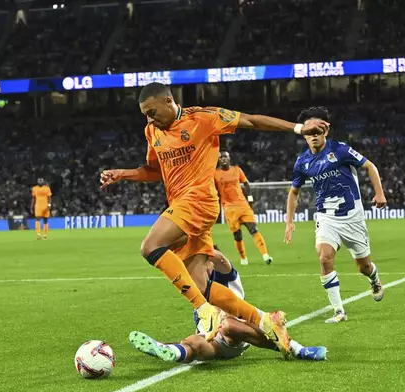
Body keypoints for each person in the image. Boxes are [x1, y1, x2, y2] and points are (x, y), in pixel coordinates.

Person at [100, 82, 328, 353]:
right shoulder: (152, 131)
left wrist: (299, 128)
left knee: (150, 246)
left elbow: (252, 121)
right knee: (201, 286)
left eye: (152, 111)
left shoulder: (203, 118)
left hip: (199, 201)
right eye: (145, 114)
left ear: (168, 100)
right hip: (182, 206)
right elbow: (154, 170)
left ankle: (204, 311)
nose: (149, 118)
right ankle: (266, 321)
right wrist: (123, 174)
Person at [129, 246, 328, 362]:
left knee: (229, 324)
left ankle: (296, 348)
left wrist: (200, 246)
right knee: (194, 343)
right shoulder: (194, 286)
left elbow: (222, 260)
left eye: (201, 265)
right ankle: (170, 351)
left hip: (237, 334)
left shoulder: (225, 275)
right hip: (215, 342)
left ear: (210, 262)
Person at [284, 107, 385, 324]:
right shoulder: (302, 162)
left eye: (316, 132)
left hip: (352, 216)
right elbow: (294, 191)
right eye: (308, 133)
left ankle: (374, 279)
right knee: (324, 257)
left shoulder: (340, 150)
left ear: (325, 131)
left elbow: (370, 166)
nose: (313, 137)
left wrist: (379, 193)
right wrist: (289, 221)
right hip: (326, 217)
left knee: (363, 266)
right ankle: (339, 311)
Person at [214, 151, 272, 265]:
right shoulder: (215, 174)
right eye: (221, 157)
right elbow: (213, 189)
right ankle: (243, 258)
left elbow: (246, 183)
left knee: (253, 229)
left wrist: (250, 198)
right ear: (218, 160)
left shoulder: (237, 170)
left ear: (229, 159)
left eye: (225, 157)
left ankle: (265, 255)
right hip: (229, 208)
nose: (223, 159)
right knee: (237, 235)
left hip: (243, 205)